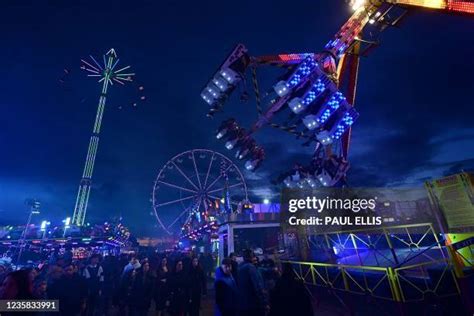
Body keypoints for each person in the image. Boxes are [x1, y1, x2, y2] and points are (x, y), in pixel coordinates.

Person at [237, 249, 268, 316]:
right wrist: (264, 302)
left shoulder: (239, 267)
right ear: (251, 256)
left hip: (242, 303)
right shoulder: (250, 267)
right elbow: (258, 287)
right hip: (253, 303)